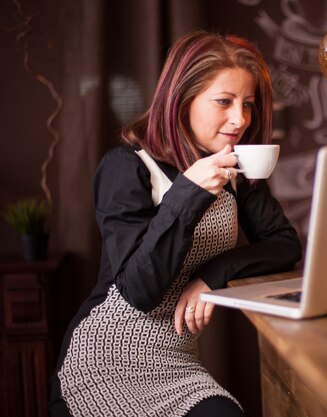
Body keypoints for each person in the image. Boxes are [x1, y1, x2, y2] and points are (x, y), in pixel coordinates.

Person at [49, 31, 302, 416]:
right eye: (224, 102)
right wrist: (188, 193)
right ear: (182, 98)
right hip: (105, 358)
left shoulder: (234, 168)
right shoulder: (126, 167)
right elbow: (138, 291)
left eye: (248, 104)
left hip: (179, 362)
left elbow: (285, 244)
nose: (241, 119)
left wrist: (213, 274)